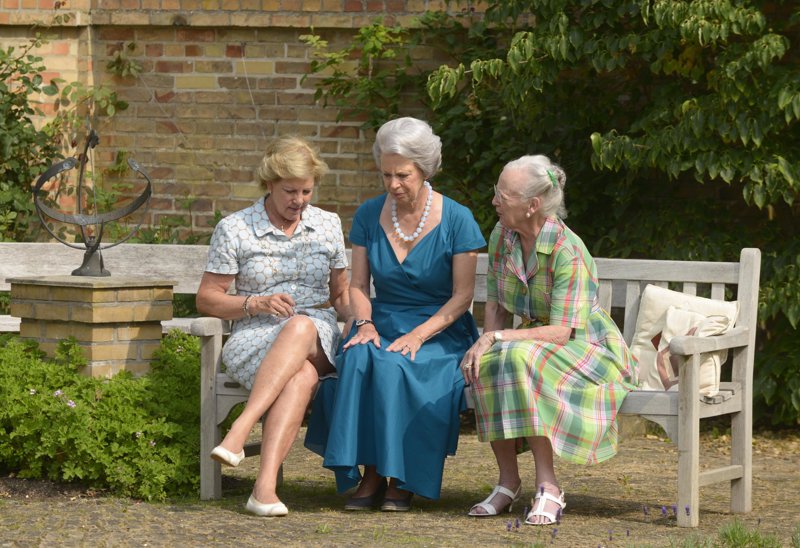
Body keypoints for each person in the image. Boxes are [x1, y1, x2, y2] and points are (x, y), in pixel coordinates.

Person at [304, 117, 486, 512]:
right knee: (359, 355)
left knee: (394, 364)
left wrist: (418, 335)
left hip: (439, 329)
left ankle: (401, 476)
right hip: (380, 320)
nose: (392, 184)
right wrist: (364, 323)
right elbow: (357, 286)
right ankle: (371, 473)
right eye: (386, 174)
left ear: (425, 169)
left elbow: (462, 297)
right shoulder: (369, 214)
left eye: (402, 175)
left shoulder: (458, 218)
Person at [460, 155, 637, 525]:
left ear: (532, 205)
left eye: (503, 196)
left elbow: (562, 331)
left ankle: (549, 486)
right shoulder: (502, 236)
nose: (494, 201)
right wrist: (485, 344)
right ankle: (507, 483)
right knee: (490, 361)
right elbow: (496, 304)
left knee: (520, 358)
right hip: (533, 341)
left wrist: (496, 337)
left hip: (586, 348)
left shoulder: (567, 250)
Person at [196, 136, 351, 517]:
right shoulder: (235, 228)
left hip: (317, 335)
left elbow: (341, 293)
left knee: (301, 326)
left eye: (306, 191)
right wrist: (255, 303)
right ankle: (263, 490)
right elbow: (207, 299)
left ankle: (240, 429)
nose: (299, 200)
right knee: (301, 377)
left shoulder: (327, 224)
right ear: (269, 183)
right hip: (255, 336)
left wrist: (363, 320)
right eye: (290, 191)